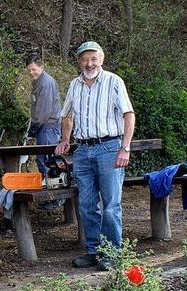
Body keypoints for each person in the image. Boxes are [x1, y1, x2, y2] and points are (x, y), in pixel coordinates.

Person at [55, 41, 135, 271]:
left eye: (93, 59)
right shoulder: (74, 85)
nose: (89, 63)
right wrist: (64, 139)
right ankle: (94, 251)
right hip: (82, 150)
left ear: (101, 59)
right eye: (84, 59)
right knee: (87, 204)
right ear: (79, 61)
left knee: (111, 204)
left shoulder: (113, 81)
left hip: (109, 148)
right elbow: (67, 115)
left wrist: (125, 147)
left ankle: (111, 253)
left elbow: (128, 115)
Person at [26, 54, 62, 175]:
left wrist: (32, 130)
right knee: (44, 159)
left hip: (48, 127)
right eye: (29, 70)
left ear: (41, 67)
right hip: (44, 127)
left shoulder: (45, 83)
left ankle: (51, 189)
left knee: (46, 160)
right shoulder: (38, 82)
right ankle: (49, 183)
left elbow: (43, 111)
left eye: (34, 69)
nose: (31, 72)